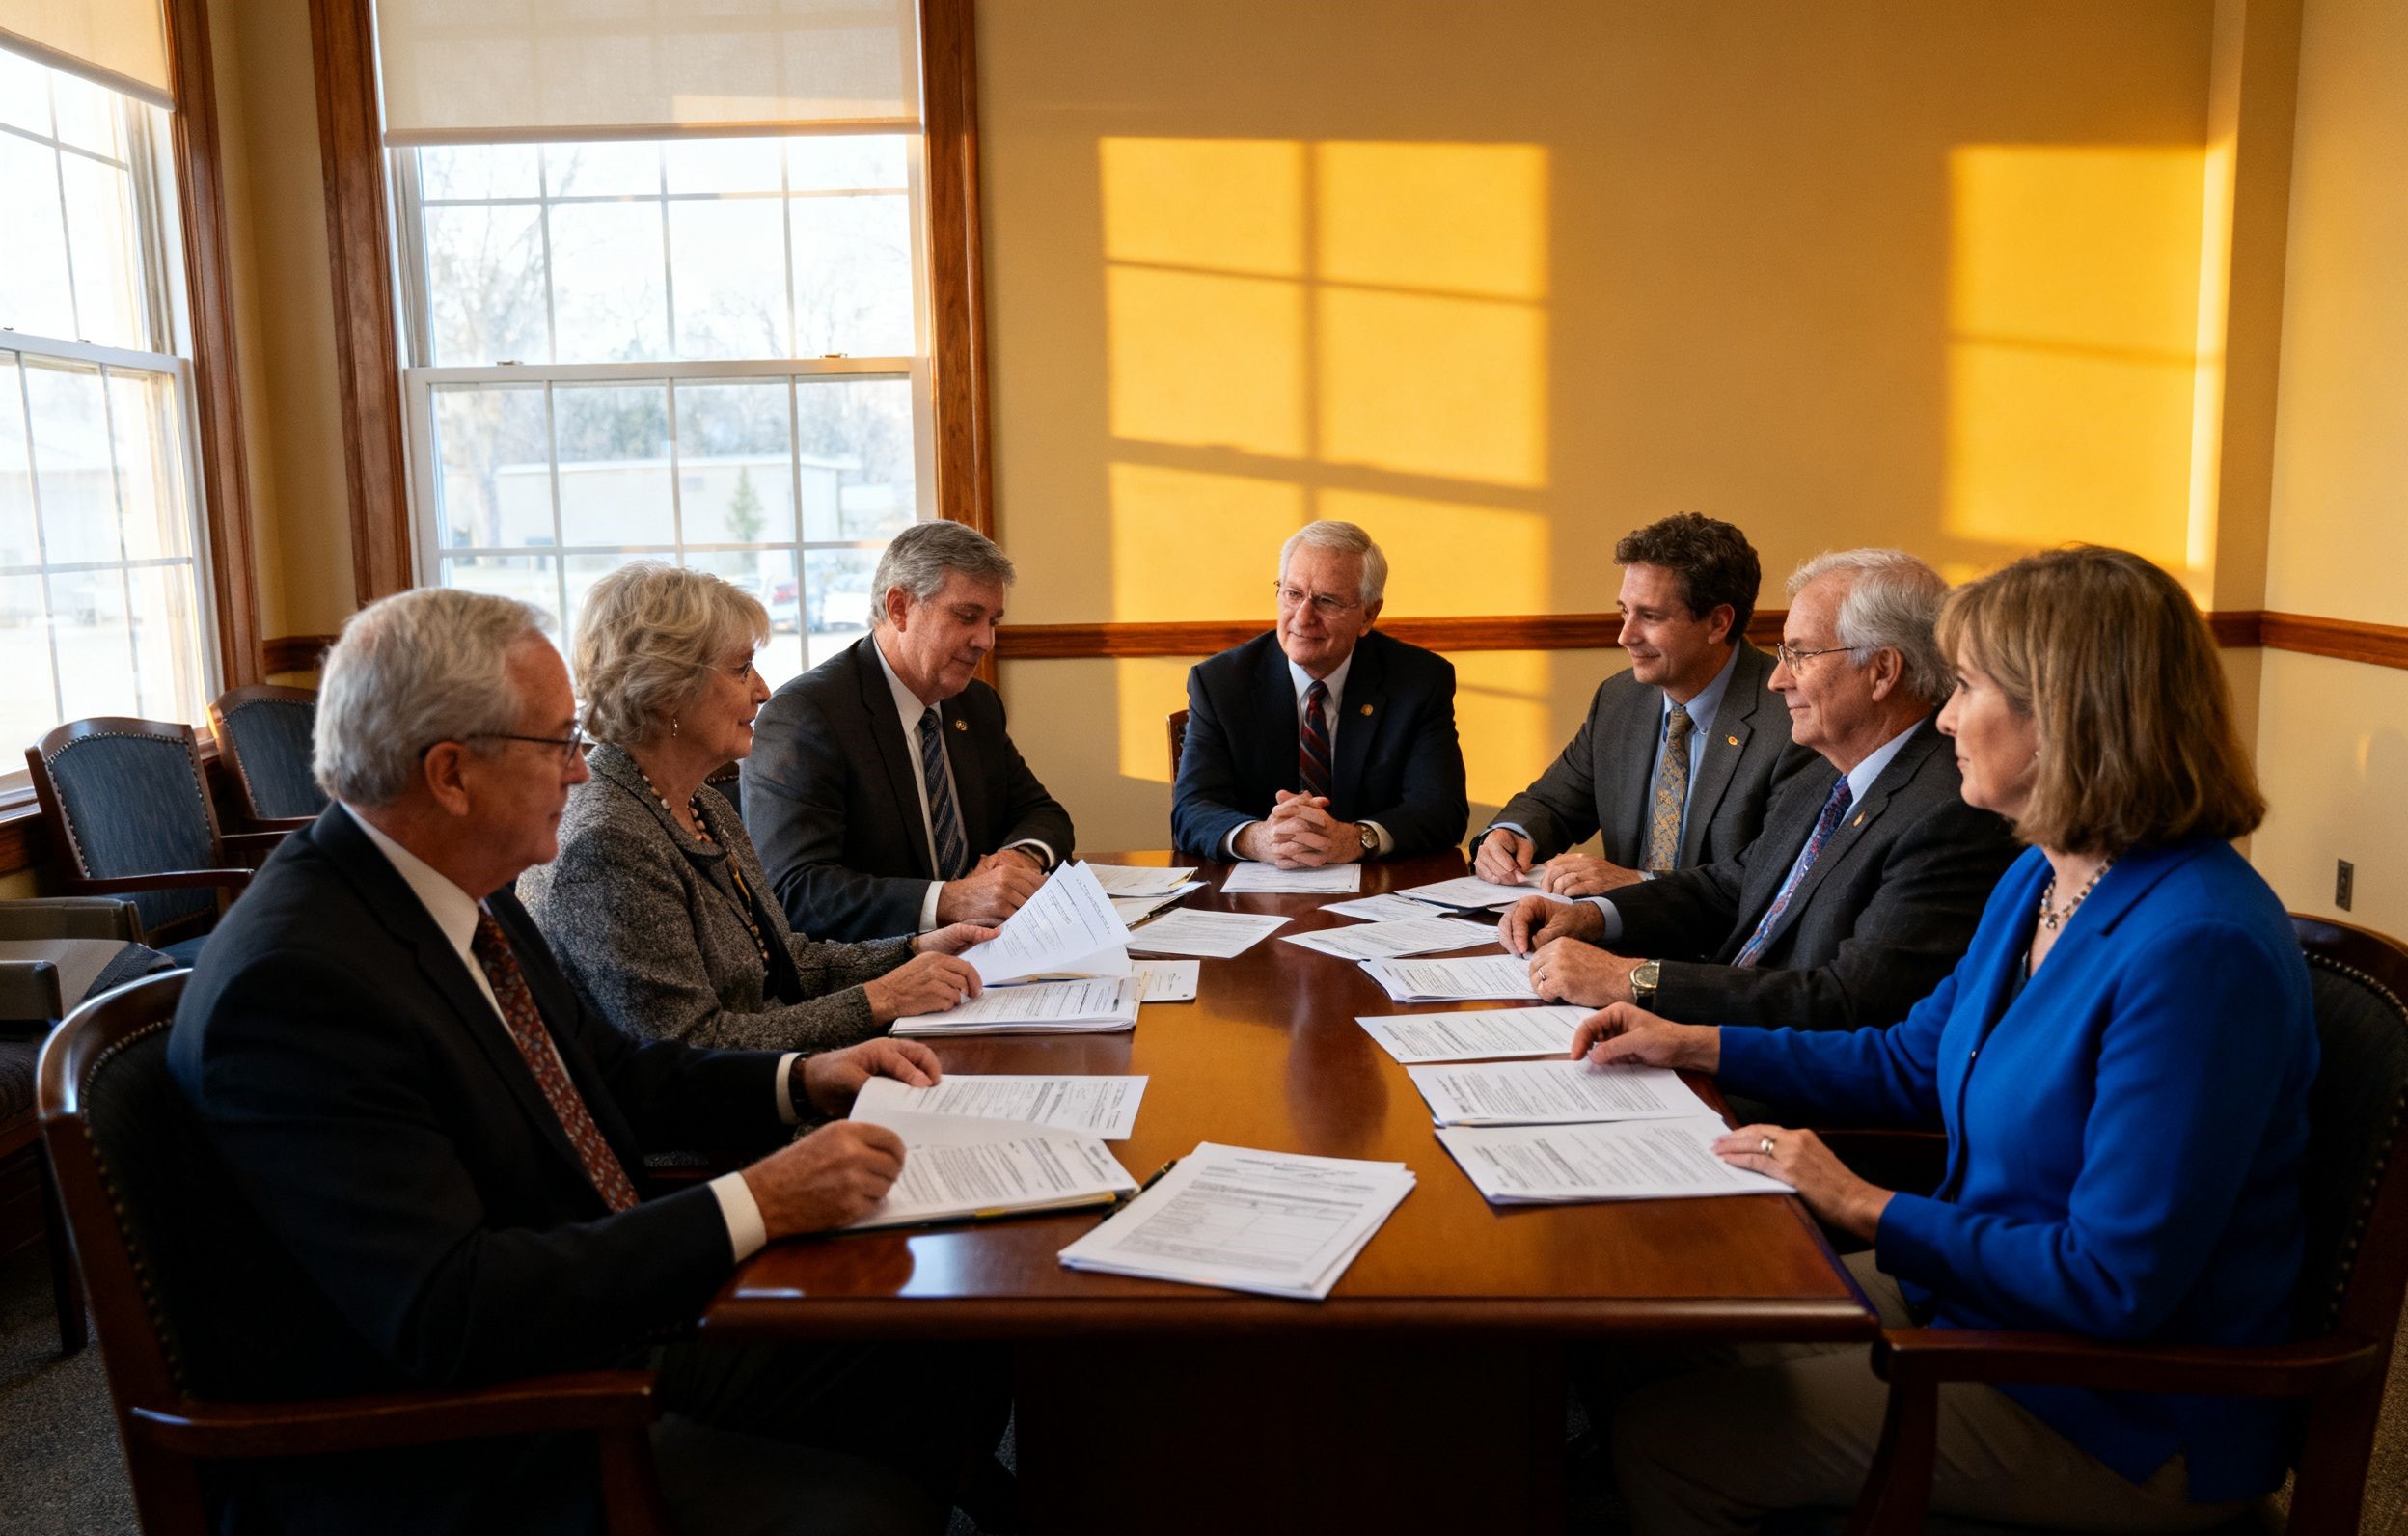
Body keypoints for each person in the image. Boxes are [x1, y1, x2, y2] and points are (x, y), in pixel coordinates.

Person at [169, 588, 1006, 1536]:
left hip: (589, 1309)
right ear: (450, 772)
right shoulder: (295, 987)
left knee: (952, 1335)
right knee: (923, 1357)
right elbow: (452, 1309)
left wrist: (806, 1075)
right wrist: (759, 1201)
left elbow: (620, 1072)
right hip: (489, 1439)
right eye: (559, 743)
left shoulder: (457, 891)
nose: (579, 770)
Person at [1573, 544, 2315, 1532]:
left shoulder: (2199, 948)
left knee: (1668, 1439)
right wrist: (1693, 1043)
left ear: (2067, 714)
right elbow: (1913, 1058)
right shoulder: (2039, 878)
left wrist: (1863, 1202)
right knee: (1655, 1335)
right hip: (1985, 1305)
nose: (1949, 715)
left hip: (2120, 1408)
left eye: (1967, 686)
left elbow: (2112, 1282)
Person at [1500, 549, 2017, 1030]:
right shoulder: (1826, 770)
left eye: (1801, 655)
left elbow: (1848, 1001)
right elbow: (1732, 887)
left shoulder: (1949, 813)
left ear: (1882, 671)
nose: (1776, 680)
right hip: (1705, 1038)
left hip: (1776, 1093)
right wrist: (1592, 918)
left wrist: (1632, 980)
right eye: (1781, 652)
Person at [522, 562, 995, 1052]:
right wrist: (880, 998)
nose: (763, 690)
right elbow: (688, 1049)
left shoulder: (703, 803)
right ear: (666, 690)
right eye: (741, 668)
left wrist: (914, 949)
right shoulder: (608, 842)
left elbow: (785, 960)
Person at [745, 521, 1075, 942]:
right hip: (875, 975)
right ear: (899, 607)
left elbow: (1043, 813)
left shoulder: (976, 705)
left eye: (993, 621)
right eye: (968, 616)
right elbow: (795, 892)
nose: (986, 641)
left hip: (991, 958)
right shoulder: (807, 716)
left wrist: (1019, 859)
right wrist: (950, 900)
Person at [1473, 512, 1811, 894]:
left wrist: (1640, 883)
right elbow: (1552, 803)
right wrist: (1510, 833)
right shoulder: (1619, 700)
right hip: (1611, 932)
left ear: (1718, 623)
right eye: (1624, 611)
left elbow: (1775, 878)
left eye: (1649, 616)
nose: (1624, 636)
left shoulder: (1792, 718)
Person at [1171, 520, 1467, 865]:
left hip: (1376, 897)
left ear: (1369, 614)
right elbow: (1191, 810)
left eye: (1326, 601)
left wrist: (1357, 838)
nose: (1303, 616)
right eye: (1293, 594)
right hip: (1253, 898)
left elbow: (1442, 810)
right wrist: (1260, 839)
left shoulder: (1419, 681)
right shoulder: (1221, 683)